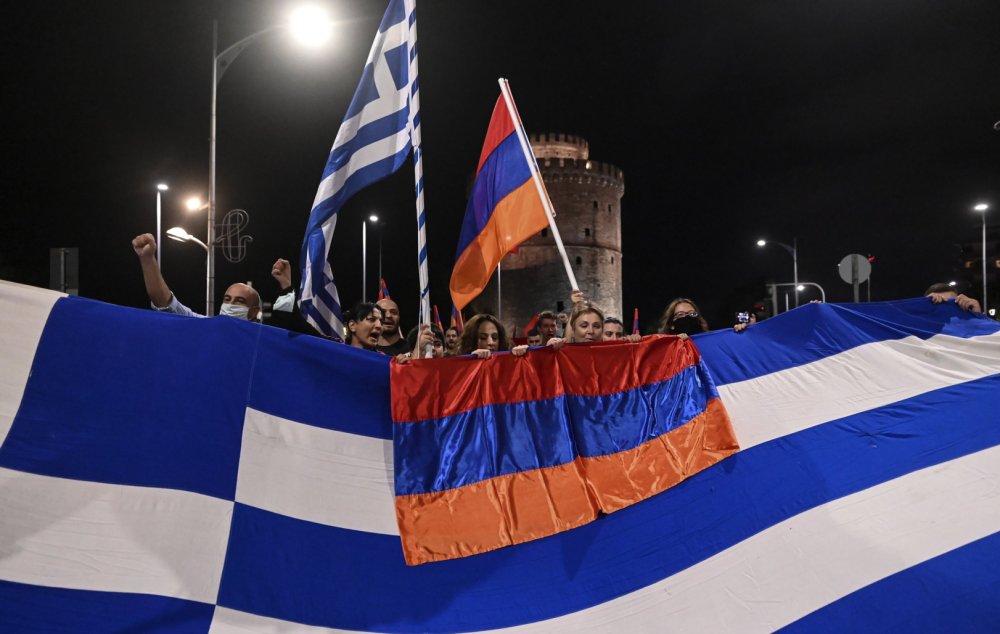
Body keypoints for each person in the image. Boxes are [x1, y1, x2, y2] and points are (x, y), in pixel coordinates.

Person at [132, 233, 261, 321]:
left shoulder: (261, 342)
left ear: (254, 312)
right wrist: (147, 258)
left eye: (239, 301)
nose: (230, 305)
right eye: (227, 299)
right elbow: (166, 304)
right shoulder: (206, 326)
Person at [459, 313, 528, 358]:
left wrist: (523, 357)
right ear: (471, 340)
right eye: (483, 338)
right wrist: (471, 361)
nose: (490, 342)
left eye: (494, 337)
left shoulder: (508, 362)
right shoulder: (459, 365)